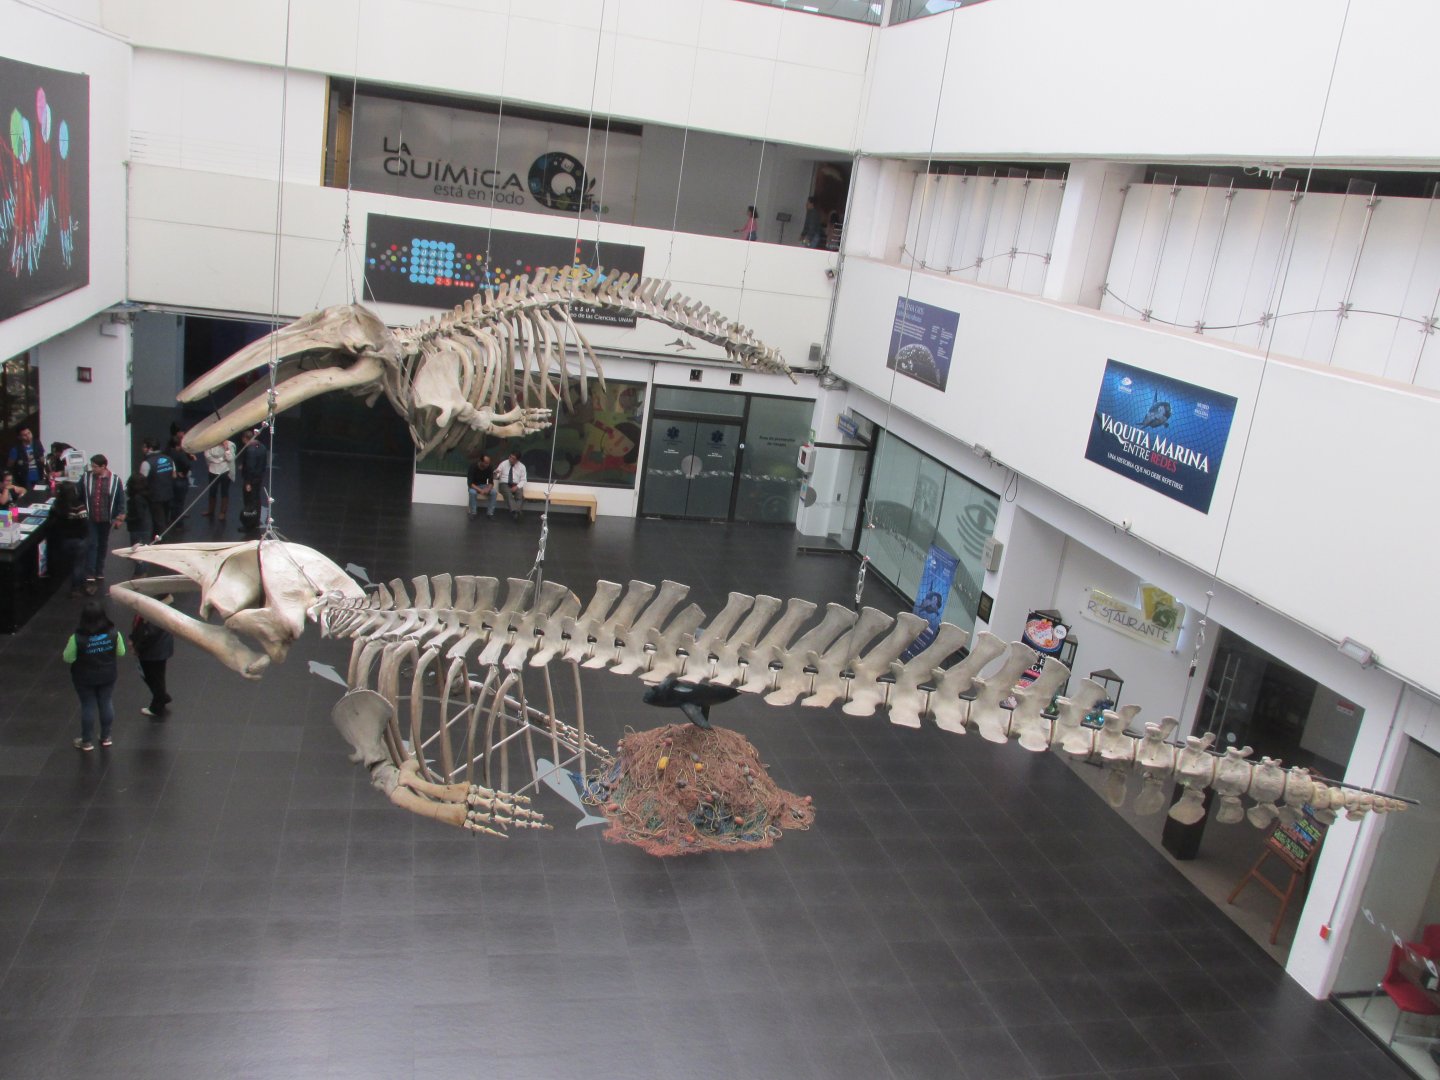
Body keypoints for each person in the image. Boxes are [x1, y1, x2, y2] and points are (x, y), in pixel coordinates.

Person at [63, 600, 126, 751]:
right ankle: (106, 737)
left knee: (88, 706)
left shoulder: (76, 638)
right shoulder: (114, 634)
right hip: (107, 675)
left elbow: (68, 658)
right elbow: (121, 652)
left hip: (84, 677)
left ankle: (86, 741)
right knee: (106, 702)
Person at [79, 454, 127, 591]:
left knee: (103, 544)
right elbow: (79, 493)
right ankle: (90, 574)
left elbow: (120, 498)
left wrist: (119, 516)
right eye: (91, 466)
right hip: (92, 518)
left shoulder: (115, 480)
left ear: (103, 466)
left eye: (95, 466)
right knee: (93, 544)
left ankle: (99, 570)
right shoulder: (86, 478)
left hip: (106, 519)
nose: (92, 469)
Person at [130, 598, 175, 719]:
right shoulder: (159, 609)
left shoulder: (154, 614)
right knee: (156, 676)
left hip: (154, 651)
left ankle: (157, 704)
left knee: (152, 676)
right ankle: (161, 696)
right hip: (159, 649)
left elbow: (149, 633)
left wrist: (137, 646)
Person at [51, 480, 90, 599]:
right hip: (78, 540)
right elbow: (84, 524)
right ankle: (76, 588)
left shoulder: (57, 504)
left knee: (72, 563)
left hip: (65, 540)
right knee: (79, 564)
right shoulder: (78, 505)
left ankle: (79, 585)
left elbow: (52, 521)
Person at [139, 437, 177, 539]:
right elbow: (174, 475)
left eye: (144, 447)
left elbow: (141, 481)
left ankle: (164, 544)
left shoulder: (146, 463)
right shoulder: (169, 459)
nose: (142, 449)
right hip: (168, 494)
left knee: (159, 522)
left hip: (154, 497)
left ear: (149, 448)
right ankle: (155, 540)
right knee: (163, 520)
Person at [237, 428, 268, 532]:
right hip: (259, 477)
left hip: (251, 479)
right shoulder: (262, 447)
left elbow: (250, 467)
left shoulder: (250, 449)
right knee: (256, 500)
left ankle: (249, 524)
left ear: (245, 439)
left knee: (249, 502)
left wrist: (248, 482)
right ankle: (256, 520)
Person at [124, 469, 153, 574]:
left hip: (138, 529)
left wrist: (126, 518)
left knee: (139, 554)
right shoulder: (145, 496)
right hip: (145, 527)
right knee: (143, 552)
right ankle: (141, 573)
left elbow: (138, 515)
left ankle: (140, 574)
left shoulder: (136, 499)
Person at [166, 430, 194, 531]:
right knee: (179, 502)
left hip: (170, 480)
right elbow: (187, 465)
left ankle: (171, 520)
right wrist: (184, 473)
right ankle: (178, 524)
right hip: (180, 481)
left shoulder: (167, 453)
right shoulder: (180, 454)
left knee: (172, 502)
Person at [202, 436, 236, 521]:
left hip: (225, 471)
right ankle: (211, 510)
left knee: (224, 492)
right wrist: (218, 460)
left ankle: (222, 512)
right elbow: (207, 455)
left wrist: (226, 448)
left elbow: (230, 458)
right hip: (213, 471)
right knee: (212, 491)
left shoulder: (230, 444)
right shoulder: (211, 444)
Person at [493, 451, 527, 520]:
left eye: (513, 459)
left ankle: (515, 513)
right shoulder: (503, 463)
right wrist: (496, 473)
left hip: (516, 484)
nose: (510, 459)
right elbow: (497, 476)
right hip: (504, 484)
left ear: (517, 460)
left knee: (520, 496)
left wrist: (517, 487)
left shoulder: (522, 466)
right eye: (510, 457)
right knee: (509, 494)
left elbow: (523, 480)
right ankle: (517, 511)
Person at [467, 453, 495, 519]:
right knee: (472, 492)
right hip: (474, 486)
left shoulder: (489, 467)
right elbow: (470, 483)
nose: (487, 465)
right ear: (481, 461)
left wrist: (487, 489)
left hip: (484, 485)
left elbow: (491, 482)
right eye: (485, 463)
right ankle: (473, 512)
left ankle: (490, 513)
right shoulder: (473, 466)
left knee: (494, 492)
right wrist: (480, 490)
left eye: (488, 463)